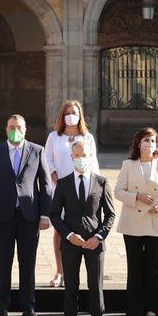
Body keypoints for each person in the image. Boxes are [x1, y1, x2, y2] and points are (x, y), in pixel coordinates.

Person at [0, 114, 51, 316]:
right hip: (2, 216)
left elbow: (45, 185)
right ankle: (2, 305)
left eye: (19, 126)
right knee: (3, 262)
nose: (15, 130)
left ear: (25, 129)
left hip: (29, 216)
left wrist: (45, 214)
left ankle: (28, 305)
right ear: (6, 129)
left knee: (27, 262)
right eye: (11, 126)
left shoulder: (37, 151)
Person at [51, 138, 114, 316]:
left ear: (91, 156)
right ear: (71, 158)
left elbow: (110, 215)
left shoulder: (101, 182)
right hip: (71, 243)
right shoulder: (63, 182)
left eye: (84, 155)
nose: (80, 159)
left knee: (96, 287)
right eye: (76, 155)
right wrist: (69, 236)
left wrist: (99, 237)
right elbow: (55, 215)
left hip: (94, 244)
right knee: (71, 288)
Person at [115, 127, 158, 316]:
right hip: (132, 222)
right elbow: (118, 191)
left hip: (155, 221)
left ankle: (153, 307)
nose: (149, 144)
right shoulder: (128, 165)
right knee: (134, 267)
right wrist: (137, 196)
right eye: (145, 140)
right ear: (138, 143)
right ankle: (134, 308)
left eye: (152, 141)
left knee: (153, 266)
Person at [43, 99, 98, 287]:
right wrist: (54, 175)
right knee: (60, 230)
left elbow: (93, 163)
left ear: (80, 115)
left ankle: (75, 272)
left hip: (82, 189)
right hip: (60, 188)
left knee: (82, 228)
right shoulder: (54, 137)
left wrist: (96, 188)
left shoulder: (87, 137)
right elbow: (47, 160)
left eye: (74, 112)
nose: (70, 116)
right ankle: (60, 271)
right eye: (67, 113)